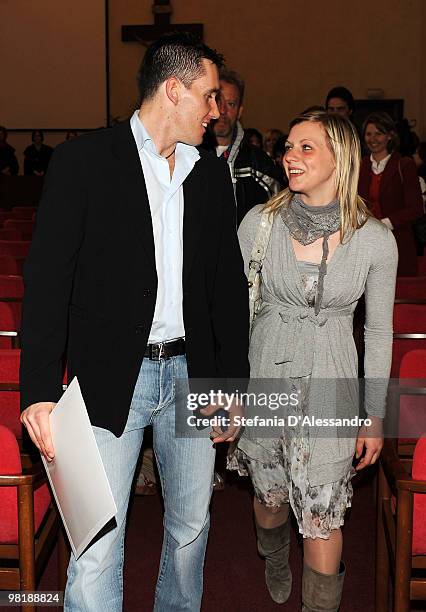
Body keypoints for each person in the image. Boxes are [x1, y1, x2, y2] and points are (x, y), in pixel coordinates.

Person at [19, 33, 249, 612]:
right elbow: (48, 283)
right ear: (174, 90)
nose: (216, 110)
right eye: (209, 95)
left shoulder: (207, 173)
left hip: (191, 377)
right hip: (106, 377)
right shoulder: (83, 163)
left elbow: (226, 291)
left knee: (190, 533)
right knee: (97, 540)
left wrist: (230, 385)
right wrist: (39, 391)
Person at [227, 110, 397, 611]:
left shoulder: (374, 239)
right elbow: (232, 313)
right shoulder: (259, 223)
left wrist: (375, 411)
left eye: (307, 148)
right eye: (290, 147)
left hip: (332, 379)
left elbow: (378, 328)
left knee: (323, 512)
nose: (291, 157)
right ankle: (274, 551)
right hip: (267, 373)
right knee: (271, 500)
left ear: (339, 158)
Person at [203, 69, 280, 226]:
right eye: (218, 101)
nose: (222, 111)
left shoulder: (260, 164)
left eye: (231, 104)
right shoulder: (189, 155)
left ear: (240, 111)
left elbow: (278, 218)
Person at [358, 111, 423, 276]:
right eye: (368, 134)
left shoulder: (404, 165)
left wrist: (384, 223)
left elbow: (416, 209)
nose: (373, 139)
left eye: (378, 134)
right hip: (366, 244)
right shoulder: (360, 166)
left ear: (389, 136)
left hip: (398, 242)